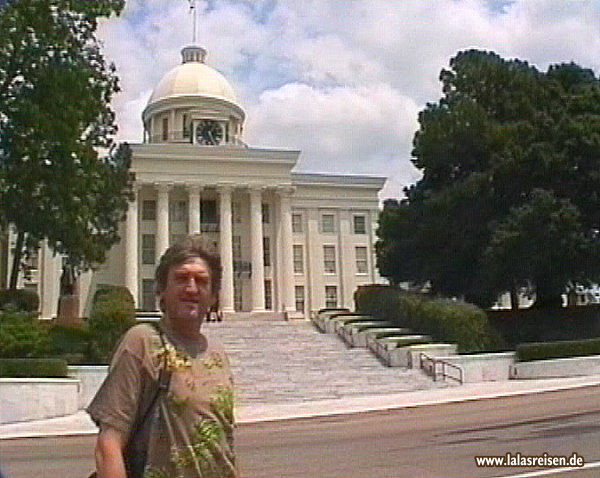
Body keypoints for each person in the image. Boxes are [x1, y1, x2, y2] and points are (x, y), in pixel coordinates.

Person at [87, 235, 237, 478]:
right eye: (181, 278)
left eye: (201, 281)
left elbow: (224, 447)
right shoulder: (142, 342)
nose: (191, 288)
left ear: (213, 296)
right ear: (161, 291)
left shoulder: (217, 354)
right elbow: (108, 445)